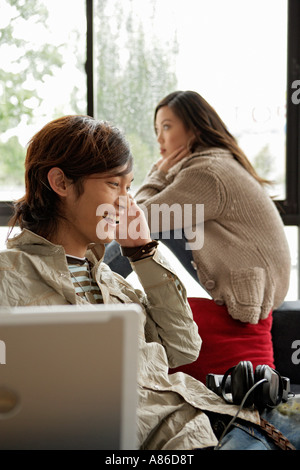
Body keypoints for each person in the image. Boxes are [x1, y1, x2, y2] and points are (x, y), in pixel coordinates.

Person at [0, 115, 298, 451]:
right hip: (157, 439)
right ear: (61, 183)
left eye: (129, 187)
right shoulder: (8, 276)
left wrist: (142, 253)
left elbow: (183, 347)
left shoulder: (113, 282)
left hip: (206, 423)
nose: (127, 204)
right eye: (114, 185)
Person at [104, 90, 291, 382]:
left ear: (194, 128)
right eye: (157, 130)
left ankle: (90, 281)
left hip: (249, 291)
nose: (159, 139)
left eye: (167, 127)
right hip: (250, 282)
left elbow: (135, 218)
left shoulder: (208, 171)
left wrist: (157, 175)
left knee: (145, 226)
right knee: (158, 224)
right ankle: (93, 278)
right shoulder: (212, 163)